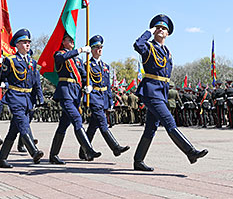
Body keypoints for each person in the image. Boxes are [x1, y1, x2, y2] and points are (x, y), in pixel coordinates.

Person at [133, 15, 208, 171]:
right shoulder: (148, 47)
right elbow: (137, 44)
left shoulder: (167, 51)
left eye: (164, 28)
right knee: (169, 121)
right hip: (151, 91)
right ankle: (190, 151)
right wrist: (148, 32)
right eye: (158, 27)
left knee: (151, 128)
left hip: (161, 92)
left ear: (168, 34)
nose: (161, 30)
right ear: (154, 31)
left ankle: (138, 161)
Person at [0, 28, 44, 168]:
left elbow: (36, 82)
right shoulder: (10, 60)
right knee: (23, 124)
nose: (27, 45)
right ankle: (34, 152)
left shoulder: (32, 63)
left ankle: (2, 159)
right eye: (24, 42)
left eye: (28, 42)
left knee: (14, 130)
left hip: (28, 98)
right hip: (15, 97)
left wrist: (39, 97)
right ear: (16, 44)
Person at [49, 31, 99, 164]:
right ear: (63, 42)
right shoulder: (59, 54)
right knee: (77, 118)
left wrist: (89, 85)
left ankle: (53, 155)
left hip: (76, 94)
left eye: (72, 39)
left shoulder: (77, 59)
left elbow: (84, 75)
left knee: (63, 125)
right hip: (65, 93)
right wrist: (80, 50)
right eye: (68, 39)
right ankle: (88, 150)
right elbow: (61, 59)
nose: (72, 41)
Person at [83, 35, 129, 158]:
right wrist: (88, 89)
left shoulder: (105, 66)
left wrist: (109, 101)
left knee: (93, 125)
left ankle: (84, 151)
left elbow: (108, 85)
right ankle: (115, 147)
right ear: (91, 50)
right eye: (96, 47)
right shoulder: (87, 65)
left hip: (103, 97)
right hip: (94, 96)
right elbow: (85, 80)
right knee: (103, 123)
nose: (99, 49)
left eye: (101, 47)